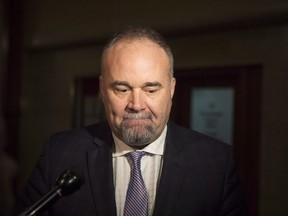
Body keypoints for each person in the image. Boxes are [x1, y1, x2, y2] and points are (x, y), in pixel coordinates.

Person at [14, 27, 247, 216]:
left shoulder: (216, 163)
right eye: (122, 89)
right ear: (102, 91)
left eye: (151, 89)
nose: (136, 104)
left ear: (172, 89)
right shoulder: (59, 153)